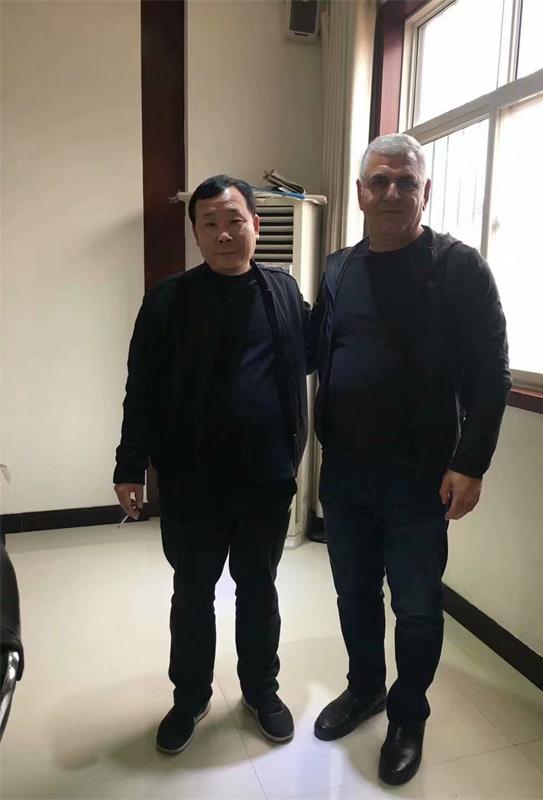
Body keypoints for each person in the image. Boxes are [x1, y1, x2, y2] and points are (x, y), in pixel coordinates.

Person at [308, 134, 511, 785]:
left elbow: (492, 373)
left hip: (420, 478)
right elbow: (317, 348)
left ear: (425, 192)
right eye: (380, 181)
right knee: (354, 593)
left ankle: (407, 716)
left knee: (417, 606)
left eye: (406, 182)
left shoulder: (459, 267)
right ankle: (365, 687)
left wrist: (471, 462)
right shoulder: (338, 269)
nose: (392, 191)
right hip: (345, 472)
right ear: (361, 193)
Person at [114, 175, 310, 754]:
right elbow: (140, 390)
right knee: (193, 593)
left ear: (256, 226)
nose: (224, 234)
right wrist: (130, 465)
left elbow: (314, 352)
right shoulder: (167, 301)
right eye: (211, 223)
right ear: (196, 233)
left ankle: (261, 691)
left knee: (259, 589)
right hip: (192, 483)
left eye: (235, 221)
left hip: (266, 479)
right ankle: (190, 696)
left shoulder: (282, 292)